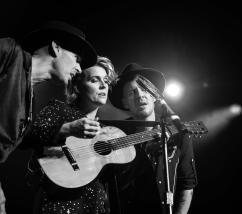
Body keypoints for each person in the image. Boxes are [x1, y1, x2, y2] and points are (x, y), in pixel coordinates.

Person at [0, 20, 97, 214]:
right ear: (56, 47)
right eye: (76, 58)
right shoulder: (9, 52)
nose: (78, 68)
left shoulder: (28, 100)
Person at [22, 56, 118, 214]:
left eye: (106, 81)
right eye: (94, 80)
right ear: (78, 87)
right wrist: (68, 128)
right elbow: (28, 135)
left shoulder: (105, 131)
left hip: (96, 206)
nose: (103, 86)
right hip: (58, 204)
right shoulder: (59, 109)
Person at [108, 63, 198, 214]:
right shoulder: (115, 134)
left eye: (144, 89)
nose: (139, 96)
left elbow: (186, 186)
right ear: (124, 102)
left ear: (154, 95)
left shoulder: (179, 135)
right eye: (131, 93)